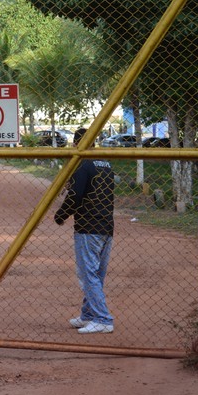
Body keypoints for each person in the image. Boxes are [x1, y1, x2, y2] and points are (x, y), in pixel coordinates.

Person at [54, 127, 115, 334]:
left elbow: (75, 195)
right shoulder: (105, 164)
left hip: (88, 226)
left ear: (78, 143)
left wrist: (61, 215)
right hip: (106, 225)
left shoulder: (83, 164)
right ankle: (88, 315)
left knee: (88, 274)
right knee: (96, 273)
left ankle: (103, 318)